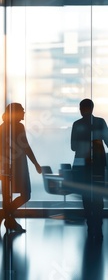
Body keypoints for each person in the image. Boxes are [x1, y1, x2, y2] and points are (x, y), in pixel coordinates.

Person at [0, 103, 42, 233]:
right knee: (25, 194)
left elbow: (0, 150)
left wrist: (2, 166)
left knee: (7, 197)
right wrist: (36, 164)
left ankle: (6, 218)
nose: (24, 113)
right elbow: (26, 147)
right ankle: (4, 217)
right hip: (19, 165)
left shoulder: (1, 128)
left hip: (7, 166)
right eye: (22, 110)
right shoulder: (18, 127)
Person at [71, 98, 108, 242]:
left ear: (81, 109)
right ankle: (97, 225)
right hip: (98, 162)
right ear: (92, 108)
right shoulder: (100, 122)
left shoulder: (77, 124)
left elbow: (73, 147)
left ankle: (90, 223)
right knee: (98, 194)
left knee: (86, 194)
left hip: (82, 163)